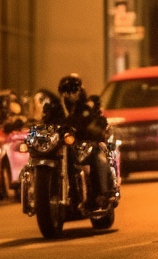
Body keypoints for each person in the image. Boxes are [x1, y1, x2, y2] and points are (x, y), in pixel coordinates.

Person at [42, 73, 117, 207]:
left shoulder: (86, 107)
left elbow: (96, 122)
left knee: (98, 155)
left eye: (73, 90)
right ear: (61, 92)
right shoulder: (55, 108)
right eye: (66, 91)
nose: (70, 94)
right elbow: (46, 124)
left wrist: (92, 129)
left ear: (80, 90)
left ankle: (103, 194)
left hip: (82, 144)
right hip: (61, 145)